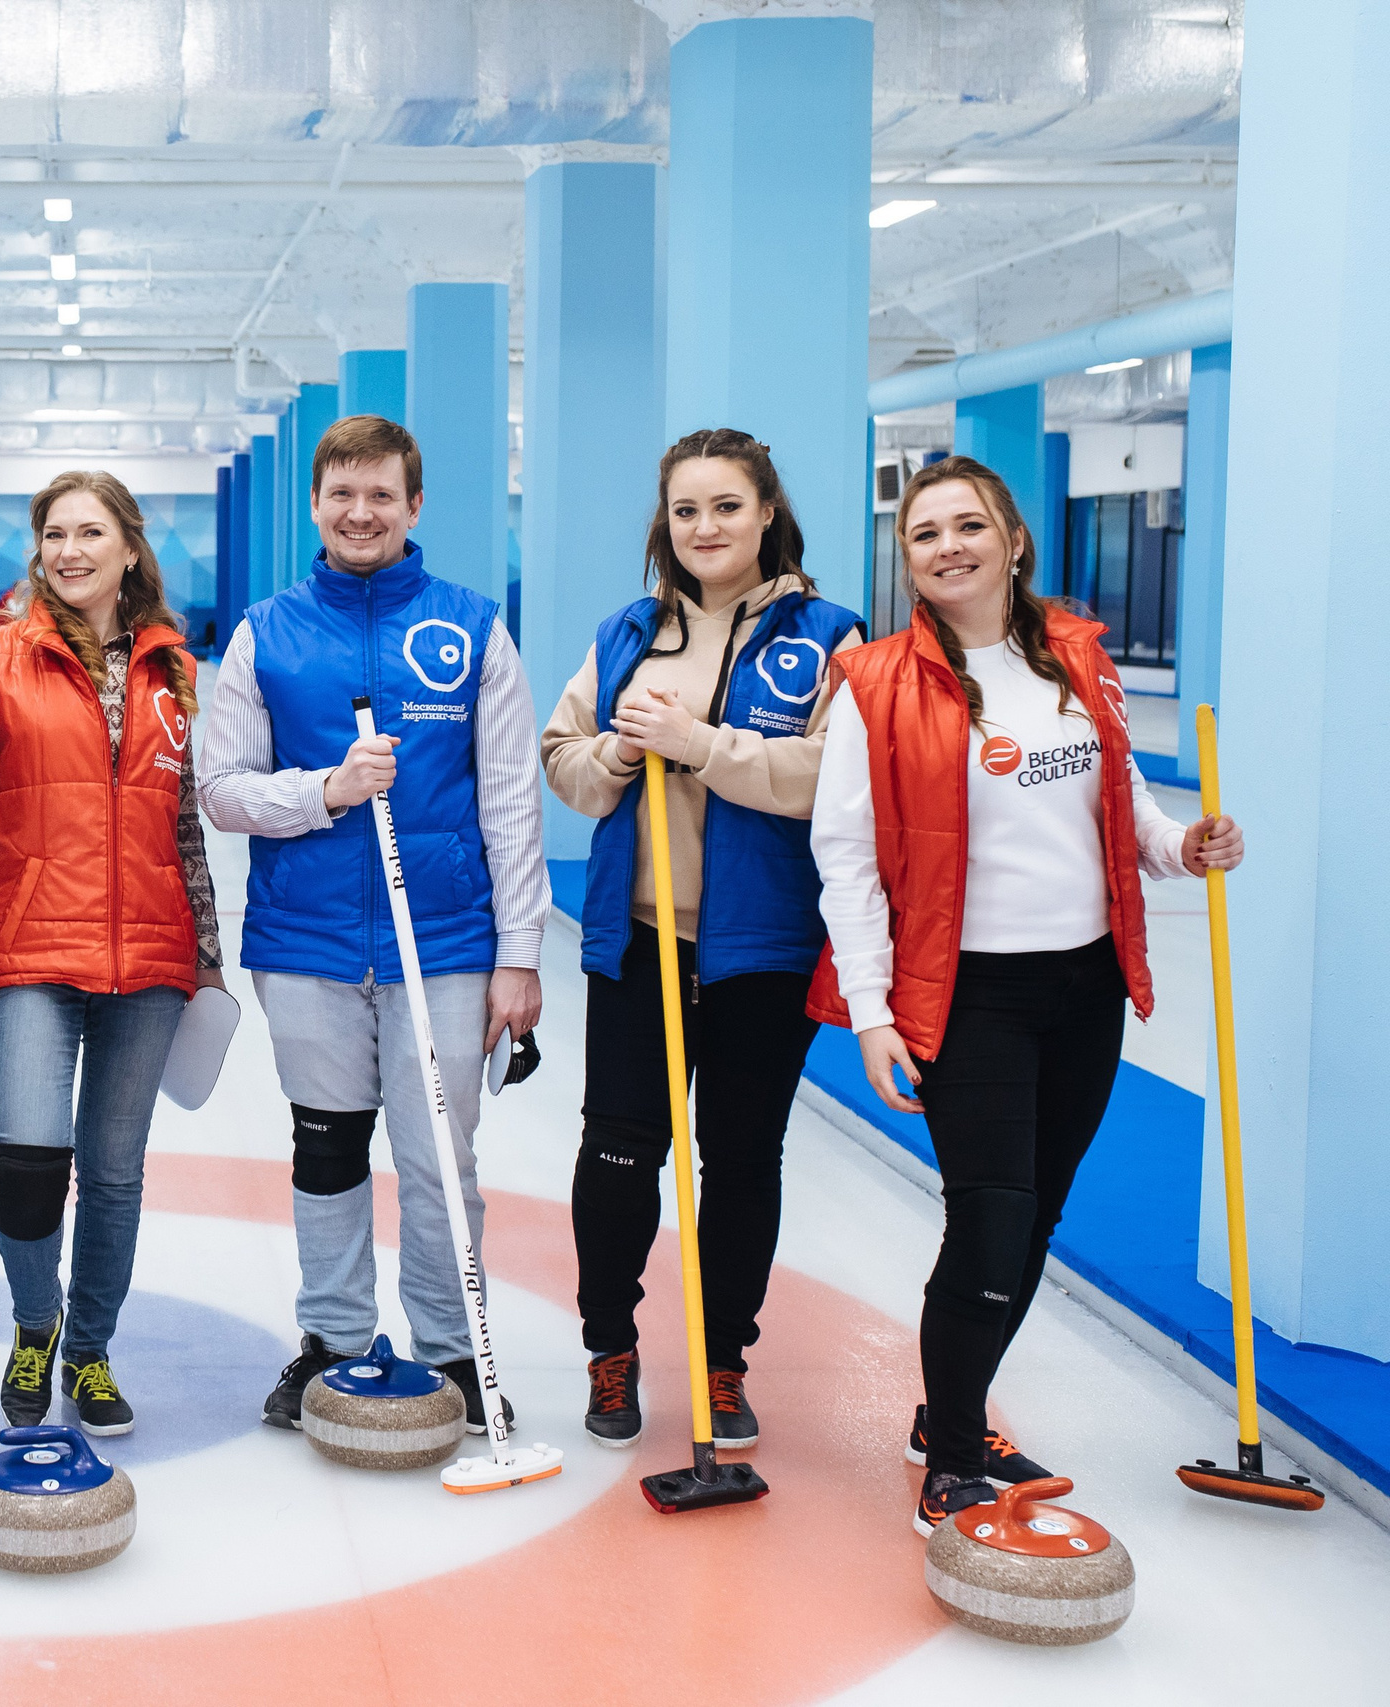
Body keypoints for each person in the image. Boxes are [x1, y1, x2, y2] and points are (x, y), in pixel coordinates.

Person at [807, 454, 1243, 1537]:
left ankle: (944, 1414)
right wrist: (869, 1013)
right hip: (970, 995)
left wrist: (1180, 848)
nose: (947, 546)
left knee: (1037, 1216)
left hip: (1083, 985)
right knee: (989, 1223)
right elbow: (848, 860)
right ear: (905, 557)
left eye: (967, 525)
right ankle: (953, 1459)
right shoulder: (876, 686)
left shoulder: (1076, 658)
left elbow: (1123, 804)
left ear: (1011, 539)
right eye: (924, 533)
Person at [201, 414, 548, 1431]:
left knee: (442, 1155)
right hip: (304, 943)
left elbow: (511, 804)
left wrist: (519, 955)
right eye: (342, 494)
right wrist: (327, 791)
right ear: (315, 504)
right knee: (328, 1146)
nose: (361, 513)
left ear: (412, 505)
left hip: (441, 944)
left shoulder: (471, 627)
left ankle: (451, 1346)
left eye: (381, 495)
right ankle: (334, 1338)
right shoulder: (268, 631)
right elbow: (221, 790)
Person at [540, 429, 864, 1452]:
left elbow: (833, 780)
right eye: (686, 510)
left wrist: (706, 749)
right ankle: (610, 1348)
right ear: (664, 524)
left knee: (738, 1159)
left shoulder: (831, 637)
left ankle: (723, 1361)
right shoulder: (628, 633)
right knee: (618, 1150)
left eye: (726, 506)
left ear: (766, 511)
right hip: (639, 939)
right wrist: (619, 747)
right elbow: (566, 765)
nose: (705, 527)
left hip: (760, 947)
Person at [0, 472, 222, 1436]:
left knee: (115, 1171)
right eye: (53, 533)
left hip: (151, 953)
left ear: (128, 548)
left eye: (90, 531)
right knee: (31, 1162)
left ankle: (92, 1351)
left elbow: (186, 829)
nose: (70, 549)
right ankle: (37, 1325)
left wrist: (208, 959)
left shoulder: (174, 675)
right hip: (34, 943)